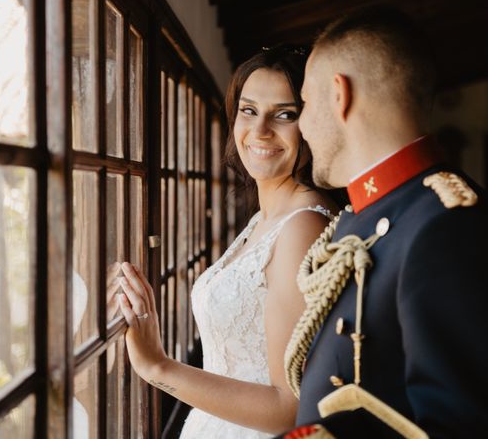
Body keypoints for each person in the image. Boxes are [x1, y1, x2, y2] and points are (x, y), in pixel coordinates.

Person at [276, 7, 488, 438]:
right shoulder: (366, 216)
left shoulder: (451, 230)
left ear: (339, 95)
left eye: (304, 103)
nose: (302, 125)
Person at [113, 45, 341, 437]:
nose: (260, 130)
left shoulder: (303, 228)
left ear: (312, 123)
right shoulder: (264, 219)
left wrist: (157, 366)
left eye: (284, 114)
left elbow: (290, 407)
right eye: (248, 110)